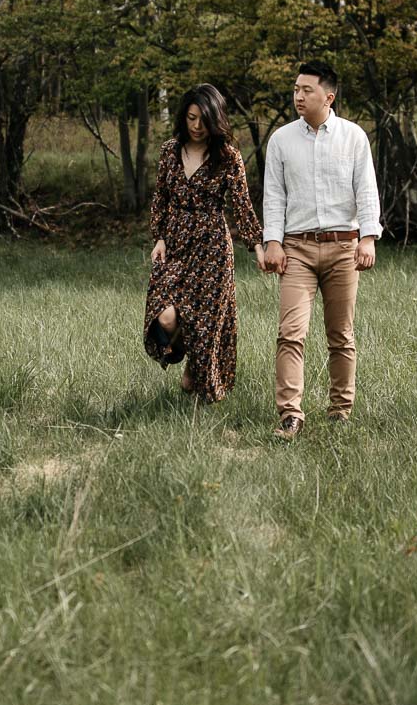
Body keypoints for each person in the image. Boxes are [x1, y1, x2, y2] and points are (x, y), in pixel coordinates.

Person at [258, 61, 381, 440]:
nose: (298, 95)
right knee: (290, 332)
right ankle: (290, 414)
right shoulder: (281, 140)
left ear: (329, 96)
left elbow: (366, 189)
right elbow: (274, 196)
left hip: (344, 248)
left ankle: (340, 410)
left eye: (306, 90)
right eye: (295, 89)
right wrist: (273, 242)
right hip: (297, 250)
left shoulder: (353, 137)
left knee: (340, 334)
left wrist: (368, 238)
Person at [143, 84, 264, 402]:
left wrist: (258, 245)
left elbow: (242, 206)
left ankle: (199, 377)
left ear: (215, 119)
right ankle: (185, 353)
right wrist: (159, 237)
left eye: (203, 120)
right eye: (191, 118)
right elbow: (161, 198)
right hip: (176, 243)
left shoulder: (228, 157)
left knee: (207, 319)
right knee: (167, 316)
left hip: (213, 248)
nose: (196, 127)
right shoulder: (170, 151)